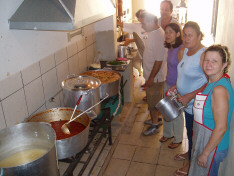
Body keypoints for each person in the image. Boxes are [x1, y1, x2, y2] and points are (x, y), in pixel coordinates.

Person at [166, 21, 207, 176]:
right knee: (190, 132)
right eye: (185, 35)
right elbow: (183, 73)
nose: (187, 38)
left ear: (199, 36)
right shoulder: (185, 51)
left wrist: (190, 95)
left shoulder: (203, 55)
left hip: (195, 105)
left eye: (191, 35)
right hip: (186, 104)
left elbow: (209, 82)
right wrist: (176, 86)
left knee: (194, 135)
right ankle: (189, 154)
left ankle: (190, 164)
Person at [188, 45, 234, 176]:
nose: (208, 64)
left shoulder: (219, 90)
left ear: (224, 64)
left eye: (214, 61)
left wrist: (205, 153)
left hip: (212, 147)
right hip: (204, 141)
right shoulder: (213, 82)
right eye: (206, 60)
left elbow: (221, 128)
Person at [140, 12, 167, 135]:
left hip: (155, 77)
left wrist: (151, 78)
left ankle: (155, 125)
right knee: (154, 100)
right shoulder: (153, 33)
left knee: (153, 102)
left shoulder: (158, 36)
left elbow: (158, 60)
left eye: (144, 23)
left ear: (151, 22)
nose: (142, 26)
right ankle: (155, 119)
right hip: (152, 76)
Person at [159, 23, 184, 149]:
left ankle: (178, 138)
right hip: (168, 82)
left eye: (170, 32)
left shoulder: (181, 49)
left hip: (177, 85)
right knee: (166, 110)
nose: (167, 35)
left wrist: (176, 86)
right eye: (166, 32)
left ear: (178, 34)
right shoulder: (171, 47)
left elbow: (183, 71)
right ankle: (168, 134)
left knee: (177, 112)